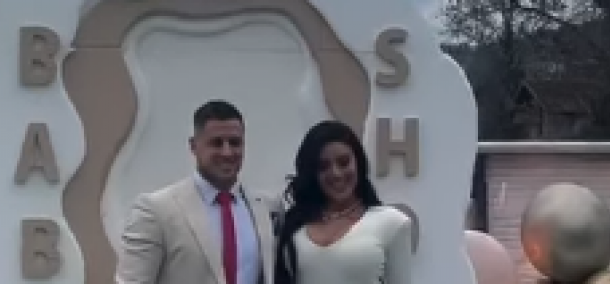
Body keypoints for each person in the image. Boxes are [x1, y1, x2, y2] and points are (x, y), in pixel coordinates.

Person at [118, 100, 280, 284]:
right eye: (216, 143)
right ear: (194, 146)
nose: (227, 152)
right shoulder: (155, 211)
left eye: (235, 143)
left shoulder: (267, 207)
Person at [274, 121, 413, 284]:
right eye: (323, 166)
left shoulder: (392, 223)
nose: (336, 173)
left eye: (344, 162)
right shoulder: (293, 225)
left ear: (358, 163)